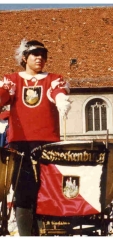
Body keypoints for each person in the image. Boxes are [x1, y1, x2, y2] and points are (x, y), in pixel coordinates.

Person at [0, 39, 71, 236]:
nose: (40, 58)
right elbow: (3, 95)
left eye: (43, 55)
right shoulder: (13, 79)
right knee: (22, 190)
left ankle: (46, 232)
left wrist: (60, 98)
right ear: (25, 58)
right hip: (20, 143)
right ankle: (25, 234)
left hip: (47, 142)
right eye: (35, 54)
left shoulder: (53, 78)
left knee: (47, 189)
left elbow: (56, 90)